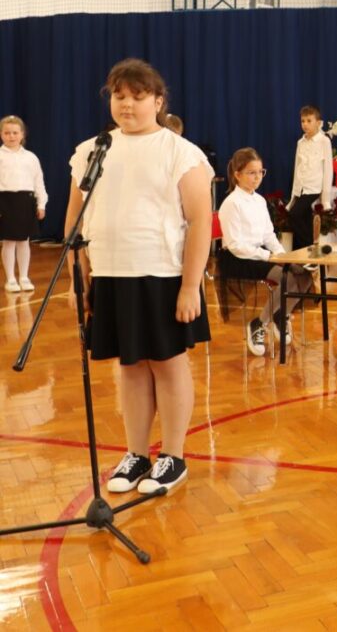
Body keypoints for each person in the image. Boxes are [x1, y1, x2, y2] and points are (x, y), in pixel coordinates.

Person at [64, 58, 212, 495]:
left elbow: (201, 222)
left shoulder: (181, 152)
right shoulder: (91, 151)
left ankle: (173, 456)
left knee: (167, 364)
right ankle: (136, 454)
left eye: (137, 96)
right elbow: (75, 222)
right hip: (110, 274)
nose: (126, 104)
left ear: (158, 101)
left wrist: (190, 285)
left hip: (162, 275)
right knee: (129, 366)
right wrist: (78, 280)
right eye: (119, 96)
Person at [217, 147, 313, 356]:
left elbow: (269, 235)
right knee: (287, 278)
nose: (257, 177)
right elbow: (236, 245)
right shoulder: (231, 203)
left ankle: (280, 315)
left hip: (260, 255)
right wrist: (269, 257)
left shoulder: (259, 201)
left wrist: (283, 256)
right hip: (238, 258)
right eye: (251, 173)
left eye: (260, 172)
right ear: (237, 175)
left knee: (304, 275)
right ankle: (259, 323)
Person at [0, 115, 47, 292]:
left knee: (24, 241)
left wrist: (41, 204)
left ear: (22, 134)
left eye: (15, 132)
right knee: (9, 241)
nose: (11, 136)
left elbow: (38, 182)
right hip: (5, 201)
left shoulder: (31, 157)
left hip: (26, 201)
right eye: (7, 133)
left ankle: (24, 277)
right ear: (1, 134)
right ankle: (11, 279)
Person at [287, 105, 332, 250]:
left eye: (309, 121)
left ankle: (311, 247)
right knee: (305, 219)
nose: (305, 124)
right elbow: (297, 168)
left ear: (318, 123)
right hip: (301, 188)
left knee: (294, 214)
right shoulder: (300, 143)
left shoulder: (324, 141)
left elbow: (328, 170)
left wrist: (325, 199)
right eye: (302, 121)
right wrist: (294, 194)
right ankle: (307, 254)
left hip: (314, 187)